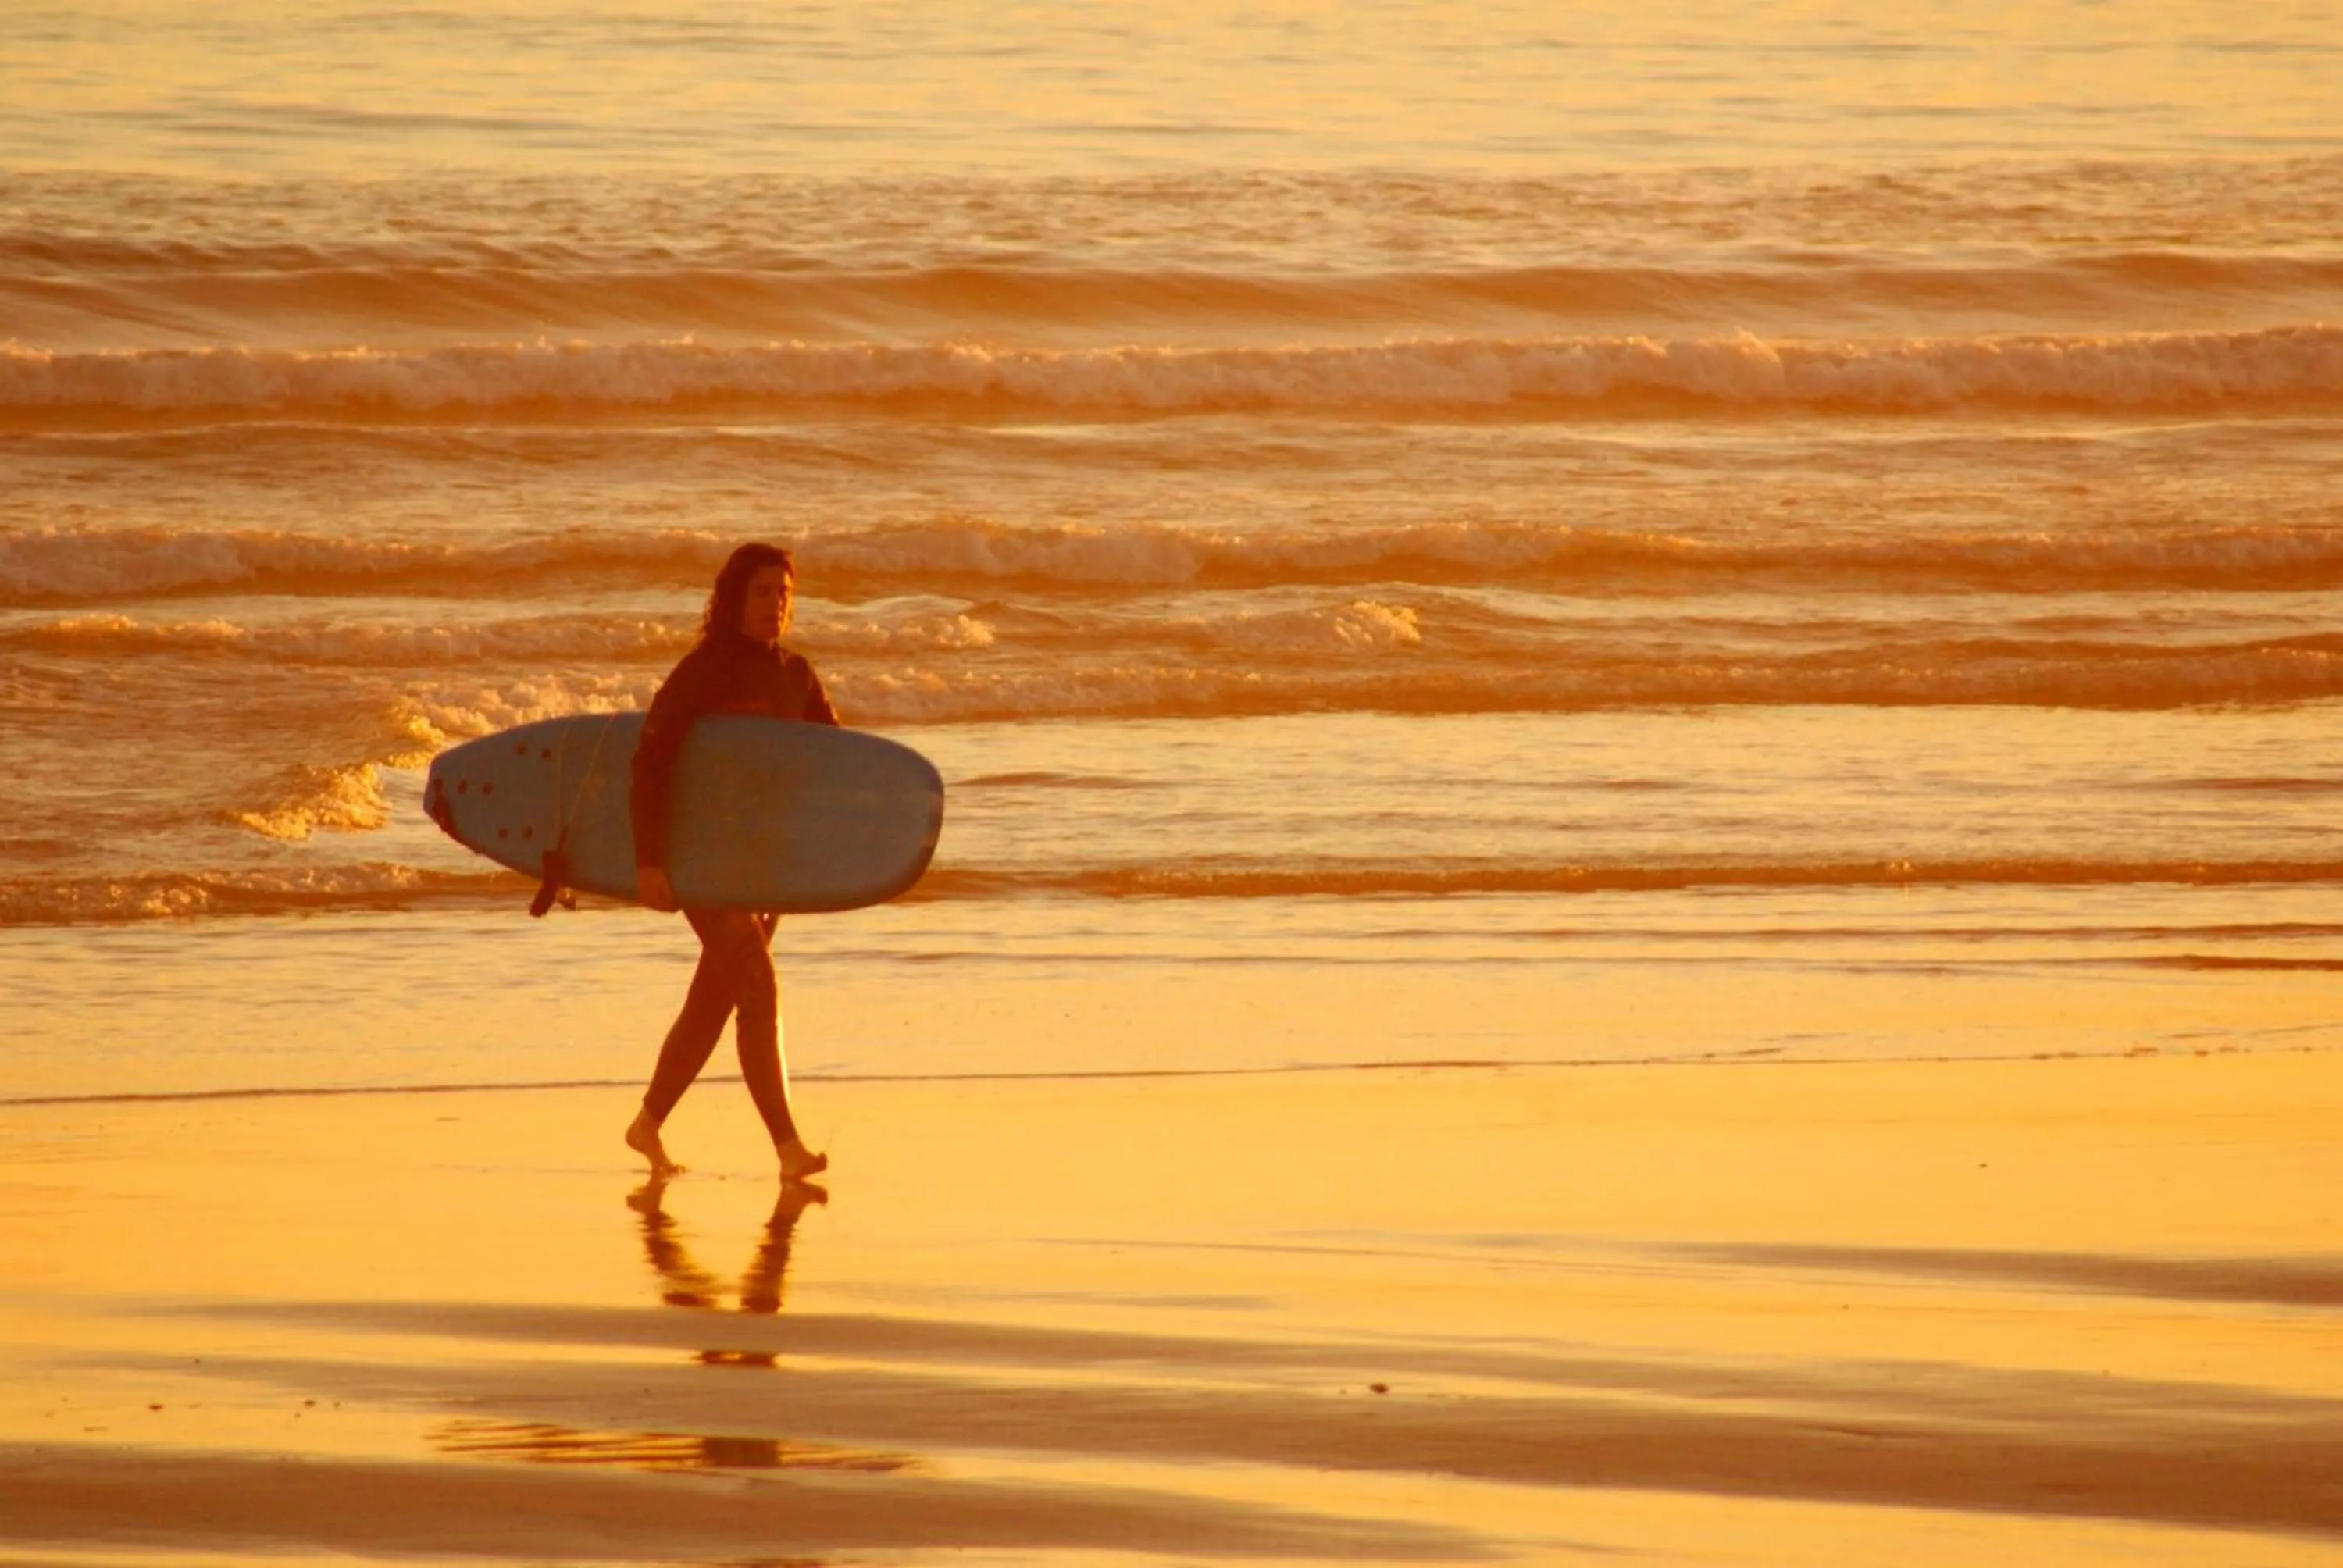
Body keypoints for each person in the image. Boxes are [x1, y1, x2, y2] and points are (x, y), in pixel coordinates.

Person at [623, 542, 837, 1183]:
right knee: (758, 983)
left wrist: (829, 850)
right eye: (764, 592)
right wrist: (651, 862)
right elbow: (650, 765)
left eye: (785, 594)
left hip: (764, 860)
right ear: (734, 599)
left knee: (716, 997)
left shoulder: (796, 677)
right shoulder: (703, 672)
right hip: (701, 854)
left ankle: (647, 1124)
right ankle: (789, 1150)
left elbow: (834, 763)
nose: (777, 604)